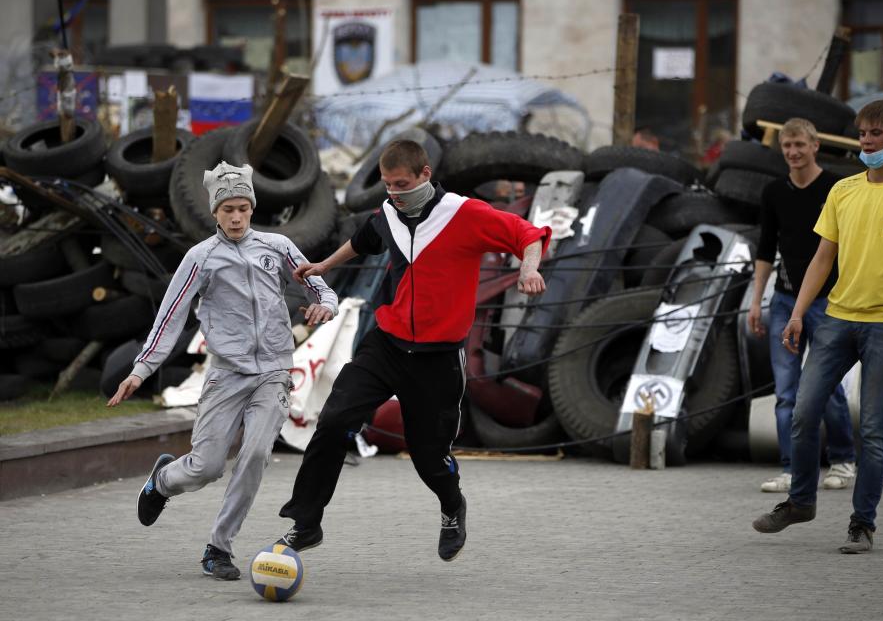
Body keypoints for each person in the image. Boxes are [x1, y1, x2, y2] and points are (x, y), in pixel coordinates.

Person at [276, 139, 551, 562]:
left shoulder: (465, 213)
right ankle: (306, 523)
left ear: (425, 175)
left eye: (401, 184)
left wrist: (529, 269)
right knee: (333, 421)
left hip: (438, 358)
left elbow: (527, 235)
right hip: (387, 342)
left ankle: (452, 506)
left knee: (428, 456)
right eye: (387, 185)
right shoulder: (390, 212)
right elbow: (364, 238)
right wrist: (325, 266)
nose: (394, 193)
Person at [108, 162, 338, 580]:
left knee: (254, 456)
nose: (236, 217)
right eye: (227, 209)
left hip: (273, 372)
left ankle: (218, 547)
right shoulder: (201, 258)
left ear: (252, 208)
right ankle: (162, 481)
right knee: (207, 466)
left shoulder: (278, 247)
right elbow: (171, 316)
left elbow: (319, 284)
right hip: (226, 376)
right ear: (215, 211)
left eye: (243, 208)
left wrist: (326, 304)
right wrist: (141, 370)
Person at [752, 101, 883, 553]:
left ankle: (862, 524)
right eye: (862, 134)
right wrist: (797, 312)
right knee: (802, 411)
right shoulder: (844, 191)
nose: (866, 142)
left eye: (875, 134)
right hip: (836, 318)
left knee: (872, 429)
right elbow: (822, 258)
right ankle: (800, 503)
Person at [748, 118, 857, 493]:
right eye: (787, 146)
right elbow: (765, 249)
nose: (793, 152)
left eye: (799, 145)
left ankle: (843, 460)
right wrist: (755, 299)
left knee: (826, 386)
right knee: (786, 390)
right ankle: (791, 468)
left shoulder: (835, 189)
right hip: (783, 298)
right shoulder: (774, 192)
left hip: (828, 300)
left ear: (814, 146)